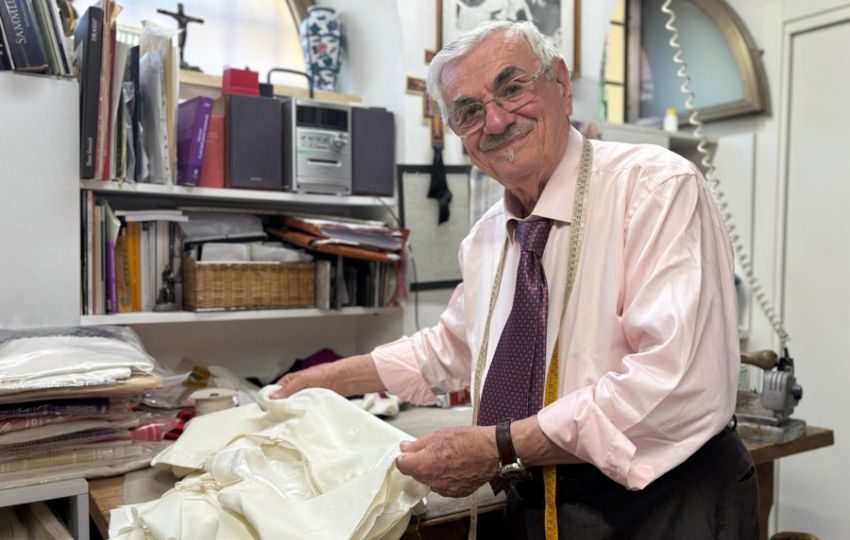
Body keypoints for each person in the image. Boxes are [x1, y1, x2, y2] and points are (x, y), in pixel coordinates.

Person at [272, 20, 758, 539]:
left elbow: (675, 386)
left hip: (661, 501)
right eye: (469, 111)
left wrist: (497, 447)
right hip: (534, 497)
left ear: (562, 85)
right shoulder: (488, 238)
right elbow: (448, 347)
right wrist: (321, 381)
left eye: (511, 87)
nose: (497, 120)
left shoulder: (656, 188)